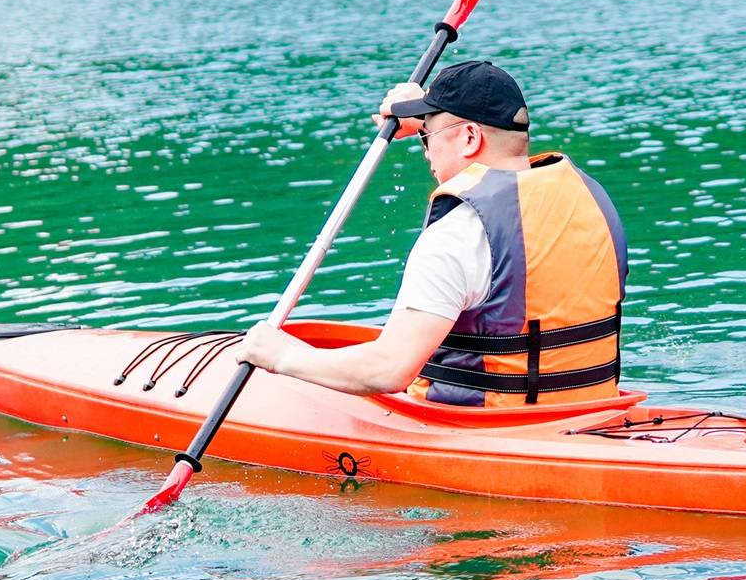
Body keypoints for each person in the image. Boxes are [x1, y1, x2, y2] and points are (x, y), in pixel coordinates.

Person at [237, 60, 627, 405]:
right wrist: (429, 117)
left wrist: (282, 356)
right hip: (589, 411)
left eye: (428, 138)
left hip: (487, 429)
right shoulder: (590, 199)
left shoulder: (458, 233)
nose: (425, 151)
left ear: (470, 137)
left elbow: (388, 371)